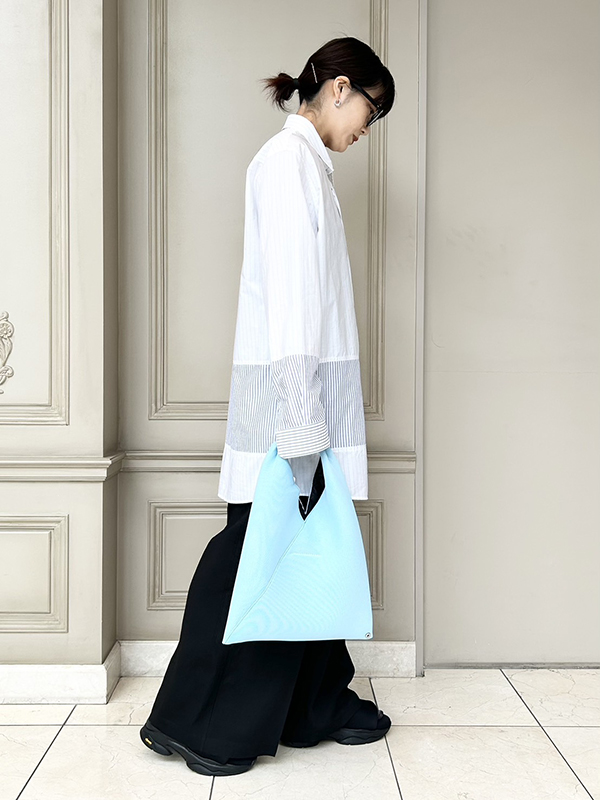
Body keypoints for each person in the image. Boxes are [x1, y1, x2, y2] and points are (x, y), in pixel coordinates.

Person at [140, 35, 396, 777]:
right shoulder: (287, 167)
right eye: (372, 110)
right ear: (340, 87)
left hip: (303, 397)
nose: (368, 129)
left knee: (294, 549)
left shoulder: (304, 167)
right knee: (257, 551)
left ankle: (314, 702)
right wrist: (300, 420)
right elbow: (290, 301)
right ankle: (196, 721)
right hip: (292, 403)